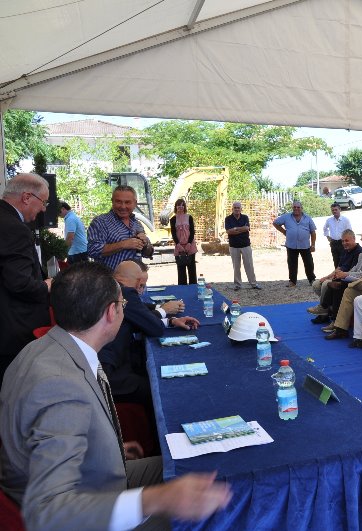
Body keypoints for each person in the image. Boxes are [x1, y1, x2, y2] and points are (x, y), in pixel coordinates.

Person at [0, 262, 231, 530]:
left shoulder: (45, 348)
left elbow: (48, 439)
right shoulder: (60, 387)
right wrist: (157, 499)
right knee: (215, 514)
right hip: (82, 510)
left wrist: (102, 445)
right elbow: (50, 512)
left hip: (91, 474)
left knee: (196, 470)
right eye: (123, 303)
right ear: (112, 312)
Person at [100, 261, 199, 405]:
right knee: (159, 388)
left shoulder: (108, 288)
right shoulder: (124, 292)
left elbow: (135, 314)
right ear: (139, 281)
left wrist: (171, 321)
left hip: (108, 362)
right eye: (141, 285)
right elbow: (154, 328)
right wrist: (164, 311)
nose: (141, 289)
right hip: (109, 373)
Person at [0, 173, 52, 380]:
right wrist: (47, 285)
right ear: (27, 197)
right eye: (44, 202)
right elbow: (20, 284)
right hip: (13, 331)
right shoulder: (15, 229)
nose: (44, 209)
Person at [319, 231, 362, 336]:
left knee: (340, 286)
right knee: (336, 283)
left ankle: (327, 311)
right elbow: (355, 269)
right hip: (357, 280)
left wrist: (345, 274)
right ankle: (329, 315)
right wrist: (342, 274)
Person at [88, 185, 153, 270]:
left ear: (135, 203)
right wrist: (123, 244)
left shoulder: (137, 224)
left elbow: (147, 254)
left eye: (127, 202)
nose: (123, 206)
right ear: (112, 201)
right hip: (110, 277)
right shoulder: (100, 222)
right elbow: (92, 250)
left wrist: (146, 243)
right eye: (118, 202)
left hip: (135, 277)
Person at [307, 229, 362, 322]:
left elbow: (352, 272)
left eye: (347, 241)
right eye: (343, 241)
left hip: (346, 279)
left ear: (354, 239)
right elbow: (339, 267)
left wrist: (334, 277)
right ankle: (327, 309)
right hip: (339, 276)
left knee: (326, 284)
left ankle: (324, 311)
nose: (344, 243)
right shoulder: (345, 250)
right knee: (316, 284)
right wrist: (327, 277)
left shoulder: (359, 252)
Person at [273, 200, 315, 288]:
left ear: (301, 208)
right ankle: (292, 282)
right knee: (292, 264)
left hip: (305, 245)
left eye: (298, 207)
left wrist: (313, 244)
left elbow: (313, 232)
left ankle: (312, 280)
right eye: (294, 207)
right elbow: (275, 223)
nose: (296, 209)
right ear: (292, 208)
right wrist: (284, 231)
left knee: (309, 263)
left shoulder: (308, 218)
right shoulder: (286, 217)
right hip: (291, 245)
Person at [224, 201, 261, 290]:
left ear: (241, 209)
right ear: (232, 209)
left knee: (249, 265)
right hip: (233, 246)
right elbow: (229, 231)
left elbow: (247, 228)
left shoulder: (245, 217)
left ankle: (253, 283)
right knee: (236, 266)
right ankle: (238, 285)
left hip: (245, 245)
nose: (237, 209)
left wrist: (235, 229)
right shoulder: (228, 219)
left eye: (238, 208)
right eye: (235, 208)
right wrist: (241, 229)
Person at [169, 198, 197, 285]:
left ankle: (193, 288)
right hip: (179, 246)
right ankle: (182, 289)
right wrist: (178, 245)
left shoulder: (189, 217)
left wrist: (189, 243)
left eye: (182, 205)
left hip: (190, 245)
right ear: (176, 207)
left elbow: (192, 231)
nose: (180, 207)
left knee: (192, 270)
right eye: (178, 205)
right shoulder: (173, 219)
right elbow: (173, 233)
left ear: (184, 207)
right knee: (181, 271)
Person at [322, 203, 352, 268]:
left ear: (340, 210)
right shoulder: (329, 220)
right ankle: (337, 273)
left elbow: (349, 231)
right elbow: (325, 228)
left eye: (336, 210)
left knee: (344, 260)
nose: (334, 211)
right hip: (333, 243)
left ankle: (344, 273)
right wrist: (327, 236)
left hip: (343, 243)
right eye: (333, 210)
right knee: (336, 260)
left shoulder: (345, 220)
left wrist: (348, 242)